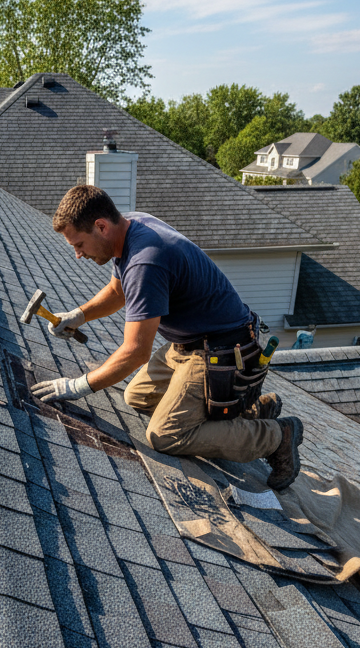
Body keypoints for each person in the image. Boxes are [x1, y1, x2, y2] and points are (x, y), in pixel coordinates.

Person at [29, 185, 304, 490]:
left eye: (79, 244)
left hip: (220, 352)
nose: (78, 254)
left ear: (101, 226)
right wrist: (79, 314)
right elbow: (118, 291)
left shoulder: (146, 260)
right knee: (137, 396)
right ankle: (250, 409)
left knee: (166, 434)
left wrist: (75, 387)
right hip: (189, 344)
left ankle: (277, 436)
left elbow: (135, 352)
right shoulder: (131, 226)